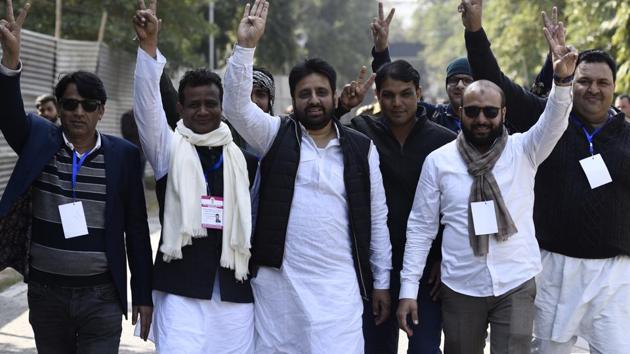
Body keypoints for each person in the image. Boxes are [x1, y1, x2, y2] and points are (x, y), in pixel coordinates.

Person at [222, 1, 392, 352]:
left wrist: (381, 282)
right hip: (279, 289)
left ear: (334, 96)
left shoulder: (361, 149)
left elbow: (377, 220)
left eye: (321, 92)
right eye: (304, 94)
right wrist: (246, 46)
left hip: (340, 292)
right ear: (294, 100)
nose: (313, 100)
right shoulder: (275, 136)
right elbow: (236, 107)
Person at [461, 1, 630, 352]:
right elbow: (496, 85)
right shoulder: (546, 120)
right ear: (570, 81)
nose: (593, 90)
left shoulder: (627, 136)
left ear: (615, 86)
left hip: (612, 277)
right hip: (553, 270)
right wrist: (475, 30)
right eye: (584, 81)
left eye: (603, 83)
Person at [397, 23, 576, 351]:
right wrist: (408, 290)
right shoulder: (439, 162)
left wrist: (562, 81)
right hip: (461, 286)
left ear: (503, 113)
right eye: (474, 111)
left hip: (516, 282)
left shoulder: (524, 150)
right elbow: (421, 230)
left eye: (490, 112)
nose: (482, 119)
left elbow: (555, 120)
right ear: (461, 112)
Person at [0, 1, 153, 352]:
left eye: (87, 105)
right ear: (60, 108)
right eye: (69, 104)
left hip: (101, 297)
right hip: (46, 294)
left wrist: (143, 294)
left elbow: (137, 231)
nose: (78, 112)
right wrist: (10, 62)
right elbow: (8, 114)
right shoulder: (40, 140)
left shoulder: (123, 157)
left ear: (101, 110)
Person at [132, 1, 259, 352]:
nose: (203, 111)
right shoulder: (168, 149)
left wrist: (246, 47)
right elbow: (146, 108)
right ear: (180, 109)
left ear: (222, 107)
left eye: (211, 103)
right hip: (180, 293)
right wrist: (148, 47)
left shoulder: (243, 160)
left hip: (234, 293)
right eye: (194, 104)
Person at [350, 59, 455, 354]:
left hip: (427, 272)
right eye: (388, 95)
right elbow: (318, 132)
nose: (397, 102)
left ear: (419, 93)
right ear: (377, 96)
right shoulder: (360, 133)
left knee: (424, 349)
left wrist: (444, 257)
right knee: (374, 348)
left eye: (405, 93)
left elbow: (459, 206)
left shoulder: (445, 143)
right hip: (372, 270)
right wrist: (342, 105)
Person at [370, 2, 473, 134]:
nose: (459, 85)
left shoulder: (490, 118)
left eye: (466, 80)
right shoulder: (433, 115)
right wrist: (381, 48)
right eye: (454, 80)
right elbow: (390, 80)